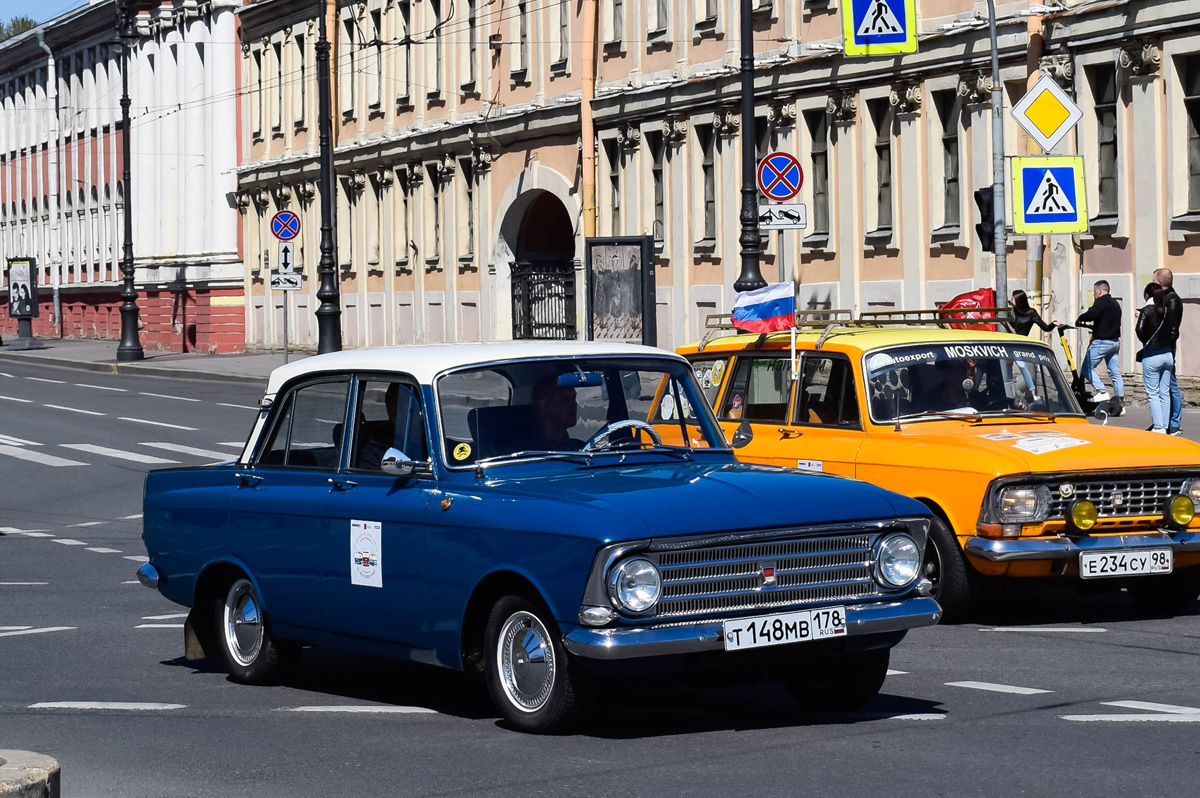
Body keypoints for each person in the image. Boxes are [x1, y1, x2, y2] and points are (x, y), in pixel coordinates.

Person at [1075, 280, 1124, 415]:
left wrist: (1080, 318)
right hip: (1114, 342)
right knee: (1115, 372)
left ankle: (1102, 391)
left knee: (1086, 367)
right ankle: (1120, 402)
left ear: (1099, 291)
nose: (1095, 295)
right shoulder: (1115, 304)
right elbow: (1104, 320)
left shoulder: (1101, 302)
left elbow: (1092, 314)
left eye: (1095, 292)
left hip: (1102, 342)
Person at [1137, 283, 1173, 434]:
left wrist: (1146, 340)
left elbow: (1139, 330)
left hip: (1152, 355)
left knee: (1153, 393)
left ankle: (1158, 427)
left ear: (1147, 295)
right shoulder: (1166, 310)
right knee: (1164, 392)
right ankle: (1164, 426)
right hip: (1168, 354)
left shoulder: (1147, 310)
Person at [1010, 290, 1057, 404]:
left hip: (1021, 345)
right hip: (1009, 344)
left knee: (1024, 368)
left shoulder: (1031, 313)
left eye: (1013, 299)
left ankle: (1033, 395)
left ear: (1019, 301)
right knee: (1007, 368)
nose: (1011, 301)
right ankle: (1014, 393)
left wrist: (1054, 324)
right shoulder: (1010, 311)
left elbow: (1045, 327)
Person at [1154, 268, 1184, 435]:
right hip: (1163, 346)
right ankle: (1163, 422)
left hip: (1166, 346)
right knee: (1164, 386)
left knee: (1171, 385)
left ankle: (1173, 424)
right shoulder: (1165, 298)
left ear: (1159, 283)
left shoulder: (1172, 300)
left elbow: (1170, 328)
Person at [529, 374, 579, 451]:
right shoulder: (522, 453)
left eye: (574, 398)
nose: (573, 404)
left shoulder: (583, 449)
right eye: (564, 399)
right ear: (543, 405)